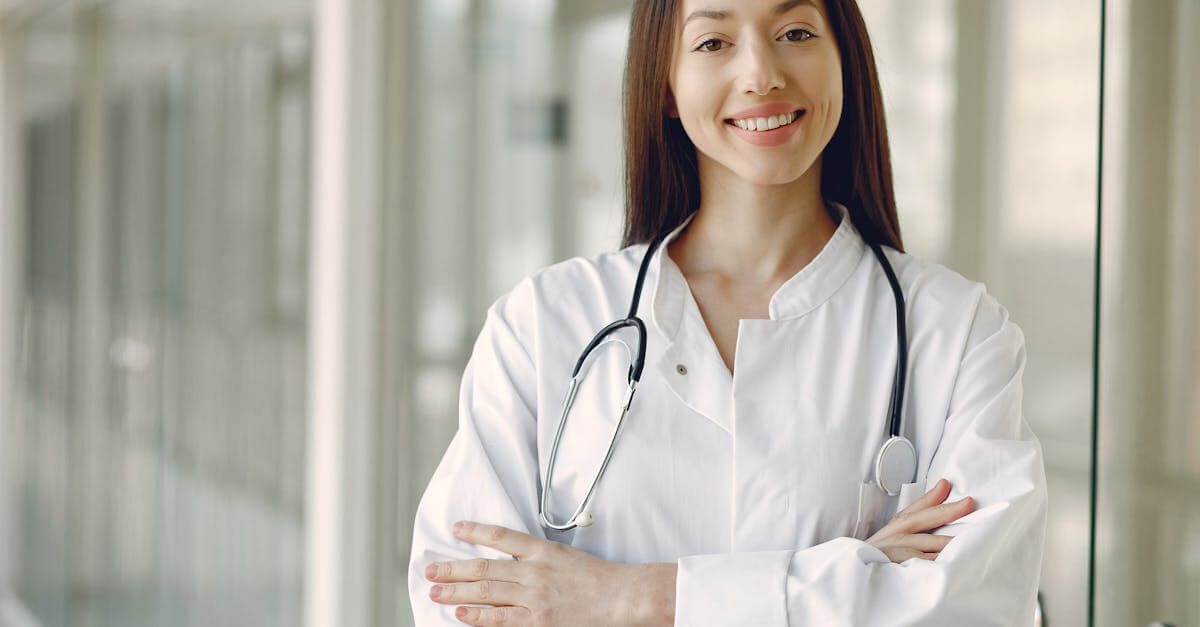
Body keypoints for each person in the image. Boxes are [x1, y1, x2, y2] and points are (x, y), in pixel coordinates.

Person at [408, 0, 1047, 624]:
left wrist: (626, 599)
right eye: (713, 43)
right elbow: (463, 602)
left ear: (844, 57)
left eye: (796, 32)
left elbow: (977, 605)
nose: (762, 74)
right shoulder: (545, 325)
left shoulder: (958, 332)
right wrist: (856, 575)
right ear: (666, 81)